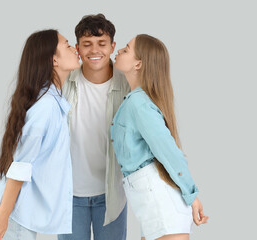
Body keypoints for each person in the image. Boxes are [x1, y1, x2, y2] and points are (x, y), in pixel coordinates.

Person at [0, 29, 80, 240]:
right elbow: (21, 165)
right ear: (53, 59)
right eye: (67, 44)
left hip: (16, 209)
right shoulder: (46, 107)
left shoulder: (51, 101)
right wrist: (3, 216)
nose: (75, 48)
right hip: (12, 211)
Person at [111, 34, 209, 240]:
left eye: (126, 49)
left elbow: (169, 151)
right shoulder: (134, 101)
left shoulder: (139, 104)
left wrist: (192, 195)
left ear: (138, 64)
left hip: (161, 202)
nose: (119, 50)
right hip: (149, 201)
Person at [58, 14, 130, 240]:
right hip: (68, 195)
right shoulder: (64, 82)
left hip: (112, 195)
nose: (94, 50)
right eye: (86, 44)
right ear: (77, 48)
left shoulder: (127, 84)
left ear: (112, 47)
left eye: (102, 44)